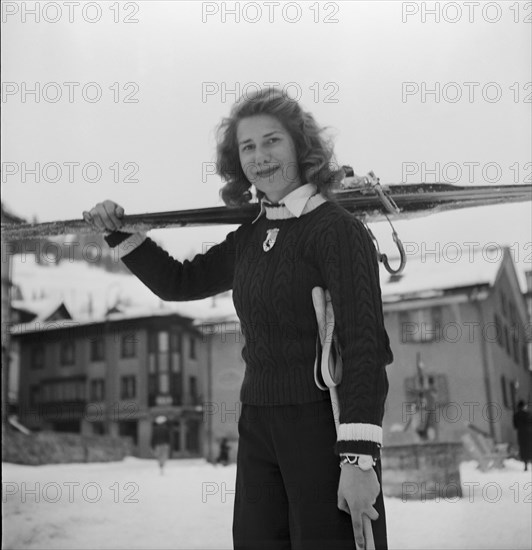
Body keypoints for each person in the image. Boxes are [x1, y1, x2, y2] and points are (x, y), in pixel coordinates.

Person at [84, 87, 394, 550]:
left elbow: (366, 346)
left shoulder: (337, 231)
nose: (260, 156)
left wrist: (359, 459)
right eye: (247, 147)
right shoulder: (250, 238)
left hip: (322, 429)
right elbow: (180, 282)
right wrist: (118, 234)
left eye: (272, 141)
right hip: (257, 427)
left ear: (300, 147)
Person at [513, 400, 532, 471]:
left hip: (521, 434)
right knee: (530, 447)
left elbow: (515, 426)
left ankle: (525, 464)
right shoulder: (528, 414)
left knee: (523, 449)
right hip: (529, 433)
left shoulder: (516, 415)